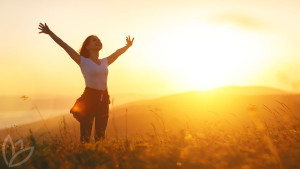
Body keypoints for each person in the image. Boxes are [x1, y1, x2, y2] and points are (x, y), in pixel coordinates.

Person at [38, 22, 134, 143]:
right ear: (87, 46)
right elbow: (64, 45)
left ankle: (99, 159)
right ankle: (84, 158)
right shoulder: (82, 61)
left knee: (100, 136)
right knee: (85, 136)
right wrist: (50, 33)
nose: (98, 41)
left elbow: (117, 53)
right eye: (94, 40)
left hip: (104, 99)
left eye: (99, 39)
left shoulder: (105, 61)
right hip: (89, 99)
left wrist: (128, 46)